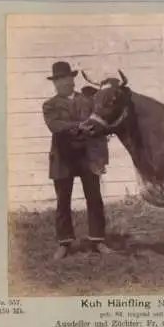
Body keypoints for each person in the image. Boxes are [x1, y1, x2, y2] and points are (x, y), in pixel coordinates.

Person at [42, 61, 113, 260]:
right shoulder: (49, 105)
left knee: (95, 199)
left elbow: (99, 122)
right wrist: (81, 126)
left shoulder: (89, 101)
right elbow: (55, 126)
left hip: (88, 157)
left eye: (65, 78)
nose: (62, 83)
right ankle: (64, 244)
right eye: (58, 80)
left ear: (72, 79)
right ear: (54, 83)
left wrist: (101, 158)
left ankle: (98, 241)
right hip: (63, 159)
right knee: (63, 201)